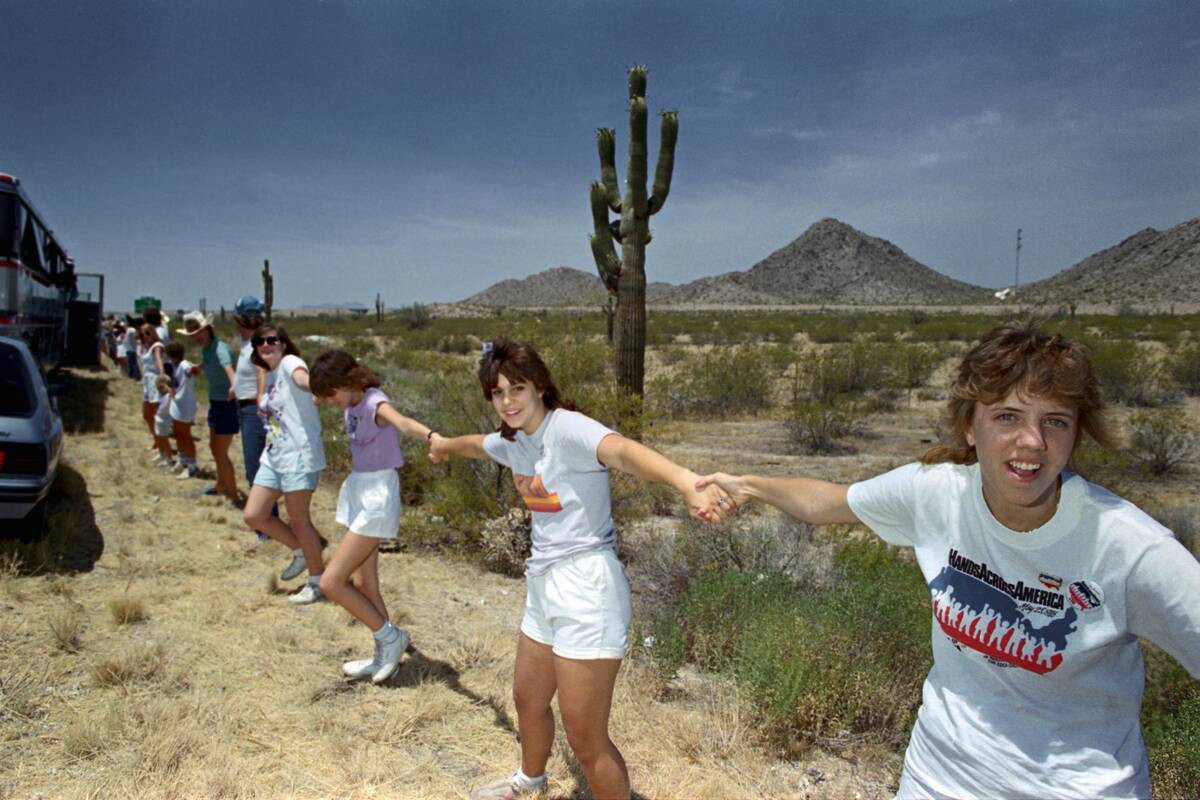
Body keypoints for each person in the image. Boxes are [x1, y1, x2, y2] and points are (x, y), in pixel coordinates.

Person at [697, 323, 1200, 800]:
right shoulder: (937, 493)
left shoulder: (1127, 546)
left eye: (1055, 421)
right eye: (1007, 416)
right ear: (970, 428)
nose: (1032, 441)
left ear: (1075, 435)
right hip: (939, 776)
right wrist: (748, 486)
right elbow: (827, 502)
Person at [429, 337, 726, 800]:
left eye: (517, 389)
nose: (507, 401)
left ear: (540, 387)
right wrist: (443, 445)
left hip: (588, 589)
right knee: (528, 700)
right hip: (544, 585)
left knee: (586, 739)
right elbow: (477, 446)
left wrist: (685, 481)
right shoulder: (515, 440)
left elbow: (621, 450)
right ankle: (530, 780)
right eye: (497, 392)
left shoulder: (567, 428)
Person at [309, 349, 433, 682]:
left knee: (332, 581)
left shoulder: (374, 403)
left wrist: (433, 438)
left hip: (378, 493)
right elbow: (327, 398)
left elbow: (403, 423)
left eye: (332, 394)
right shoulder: (349, 404)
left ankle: (391, 639)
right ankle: (384, 649)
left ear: (347, 381)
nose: (332, 402)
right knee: (364, 582)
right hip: (359, 489)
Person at [241, 323, 327, 605]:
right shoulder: (269, 372)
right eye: (258, 342)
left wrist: (318, 385)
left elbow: (303, 379)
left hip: (298, 456)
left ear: (284, 343)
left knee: (300, 521)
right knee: (254, 515)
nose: (264, 345)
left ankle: (317, 581)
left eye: (271, 340)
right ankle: (302, 552)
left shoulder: (291, 363)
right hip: (274, 456)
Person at [178, 311, 240, 503]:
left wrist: (234, 386)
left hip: (226, 405)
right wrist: (198, 367)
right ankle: (221, 484)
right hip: (215, 403)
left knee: (221, 452)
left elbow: (229, 369)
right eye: (192, 335)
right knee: (214, 448)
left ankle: (233, 495)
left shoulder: (221, 349)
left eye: (199, 332)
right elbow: (208, 361)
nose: (197, 337)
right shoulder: (207, 349)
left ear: (208, 329)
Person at [231, 296, 275, 540]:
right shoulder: (248, 342)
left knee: (256, 468)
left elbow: (262, 370)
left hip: (253, 412)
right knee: (256, 468)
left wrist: (259, 398)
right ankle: (266, 522)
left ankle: (267, 527)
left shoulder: (259, 343)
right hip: (246, 408)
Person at [164, 340, 200, 480]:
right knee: (178, 434)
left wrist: (195, 369)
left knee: (186, 436)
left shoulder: (185, 365)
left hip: (185, 405)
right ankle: (182, 459)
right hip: (176, 403)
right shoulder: (174, 365)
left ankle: (192, 467)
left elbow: (191, 371)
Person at [138, 324, 172, 461]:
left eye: (147, 333)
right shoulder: (146, 347)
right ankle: (158, 443)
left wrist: (162, 376)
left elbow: (159, 361)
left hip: (154, 381)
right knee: (147, 415)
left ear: (153, 333)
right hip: (147, 381)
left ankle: (163, 449)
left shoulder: (157, 346)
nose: (145, 336)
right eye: (142, 334)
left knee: (156, 416)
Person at [153, 374, 176, 468]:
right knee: (159, 438)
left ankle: (169, 459)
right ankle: (162, 454)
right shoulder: (161, 395)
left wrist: (168, 387)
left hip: (165, 420)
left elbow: (174, 393)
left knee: (165, 440)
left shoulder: (170, 395)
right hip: (158, 418)